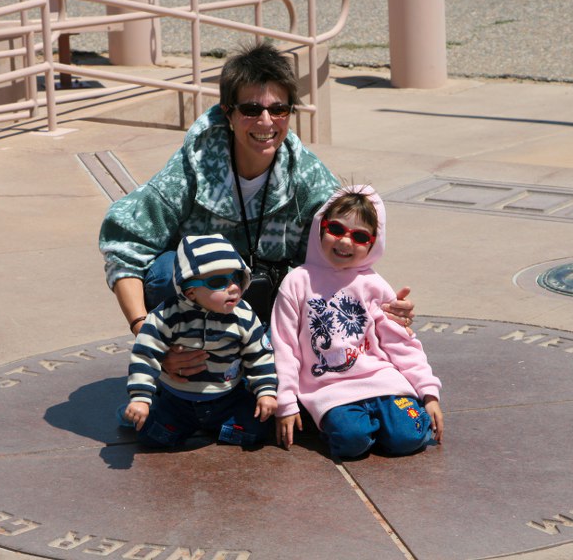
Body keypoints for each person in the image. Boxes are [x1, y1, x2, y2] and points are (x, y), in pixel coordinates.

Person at [99, 41, 416, 381]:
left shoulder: (308, 179)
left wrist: (382, 306)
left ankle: (261, 365)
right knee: (165, 271)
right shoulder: (191, 170)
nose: (266, 121)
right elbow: (125, 244)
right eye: (251, 109)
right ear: (228, 113)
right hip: (200, 303)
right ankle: (186, 363)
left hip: (275, 307)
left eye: (279, 110)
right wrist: (146, 334)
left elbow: (343, 256)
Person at [271, 185, 444, 458]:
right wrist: (287, 402)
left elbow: (400, 342)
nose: (345, 242)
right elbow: (285, 347)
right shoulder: (297, 282)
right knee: (352, 442)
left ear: (374, 243)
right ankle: (355, 426)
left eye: (360, 236)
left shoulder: (374, 284)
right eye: (336, 229)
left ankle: (380, 425)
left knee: (408, 437)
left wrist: (428, 393)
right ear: (320, 227)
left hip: (383, 381)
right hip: (330, 390)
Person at [123, 234, 278, 448]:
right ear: (190, 291)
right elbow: (145, 354)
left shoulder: (243, 315)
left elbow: (259, 356)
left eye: (235, 277)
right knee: (151, 436)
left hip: (227, 396)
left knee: (257, 429)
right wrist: (140, 398)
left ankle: (211, 428)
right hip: (178, 399)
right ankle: (145, 411)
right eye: (218, 282)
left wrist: (266, 392)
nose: (233, 287)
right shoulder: (167, 316)